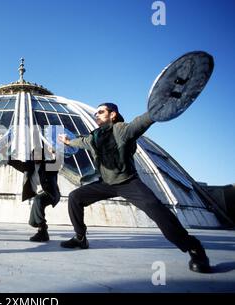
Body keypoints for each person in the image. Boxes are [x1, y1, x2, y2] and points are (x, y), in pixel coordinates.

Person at [58, 102, 211, 273]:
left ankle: (194, 247)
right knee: (75, 197)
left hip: (128, 182)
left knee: (158, 211)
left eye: (101, 112)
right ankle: (80, 239)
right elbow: (82, 142)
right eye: (96, 114)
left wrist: (157, 109)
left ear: (113, 114)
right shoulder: (95, 137)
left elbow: (141, 122)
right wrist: (68, 141)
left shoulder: (122, 130)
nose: (97, 115)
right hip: (106, 184)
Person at [9, 145, 60, 242]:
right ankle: (40, 226)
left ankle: (43, 232)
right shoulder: (29, 166)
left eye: (38, 155)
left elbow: (58, 163)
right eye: (34, 155)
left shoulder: (48, 166)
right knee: (32, 222)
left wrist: (55, 152)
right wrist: (6, 151)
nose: (36, 157)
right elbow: (13, 162)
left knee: (38, 200)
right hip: (38, 195)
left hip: (50, 193)